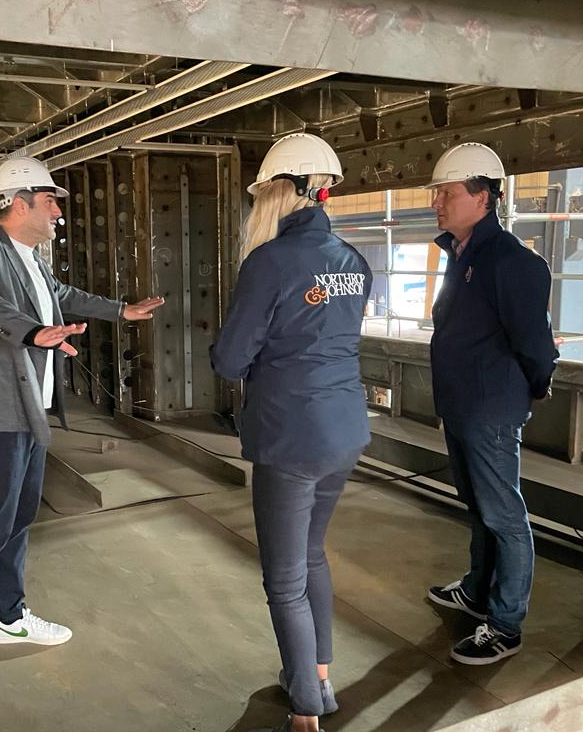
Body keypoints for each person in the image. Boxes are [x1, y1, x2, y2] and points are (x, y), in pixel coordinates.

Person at [0, 155, 165, 705]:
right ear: (18, 202)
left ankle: (10, 618)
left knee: (19, 519)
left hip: (29, 412)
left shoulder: (30, 258)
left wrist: (122, 311)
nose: (58, 212)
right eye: (51, 201)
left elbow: (64, 296)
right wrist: (33, 332)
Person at [211, 133, 372, 732]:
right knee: (311, 556)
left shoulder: (269, 262)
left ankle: (306, 710)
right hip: (344, 429)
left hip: (290, 434)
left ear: (277, 193)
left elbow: (230, 359)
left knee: (284, 579)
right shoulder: (354, 261)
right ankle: (318, 676)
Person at [423, 142, 559, 665]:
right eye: (436, 193)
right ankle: (477, 592)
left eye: (447, 193)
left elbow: (535, 343)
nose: (436, 202)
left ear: (483, 197)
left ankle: (505, 625)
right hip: (461, 406)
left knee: (505, 516)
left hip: (490, 410)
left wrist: (536, 384)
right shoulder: (462, 256)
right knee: (479, 507)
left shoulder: (512, 262)